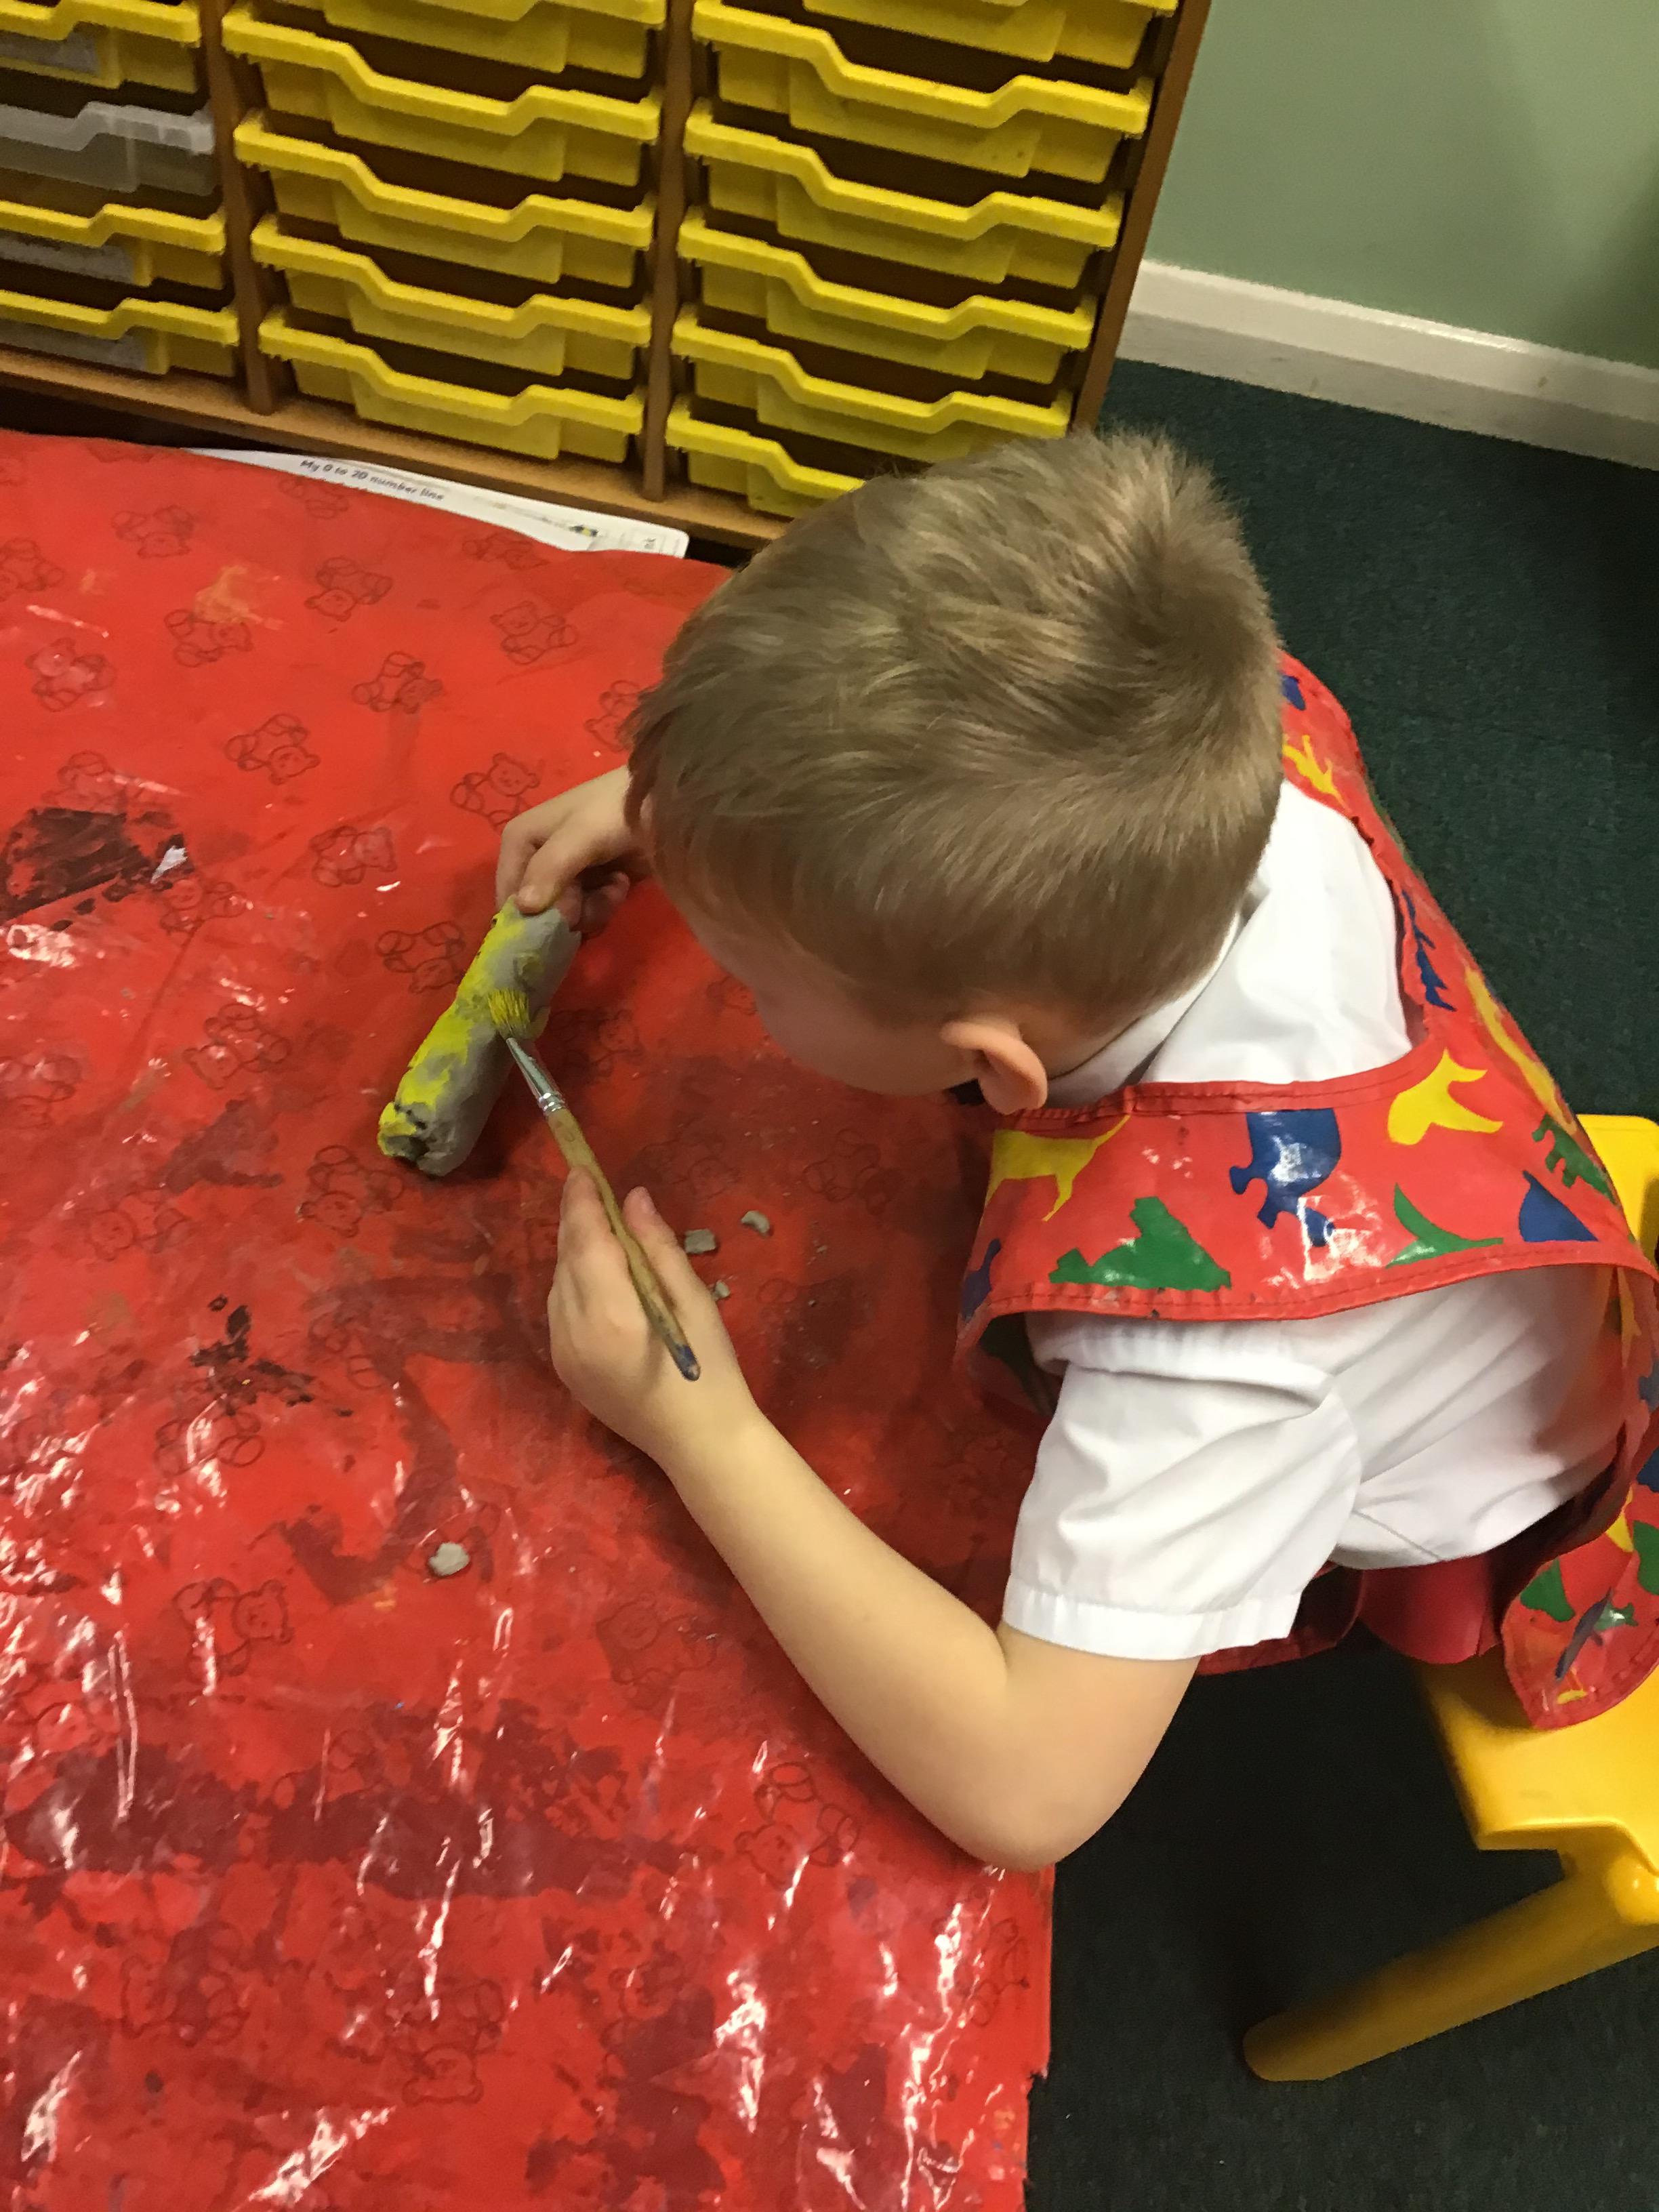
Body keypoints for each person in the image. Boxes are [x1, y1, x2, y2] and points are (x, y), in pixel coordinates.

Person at [495, 432, 1659, 1871]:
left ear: (991, 1067)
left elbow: (1028, 1795)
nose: (740, 992)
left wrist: (699, 1429)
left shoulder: (1206, 1366)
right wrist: (697, 819)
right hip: (1478, 1197)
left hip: (1464, 1475)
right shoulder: (1221, 730)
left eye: (756, 979)